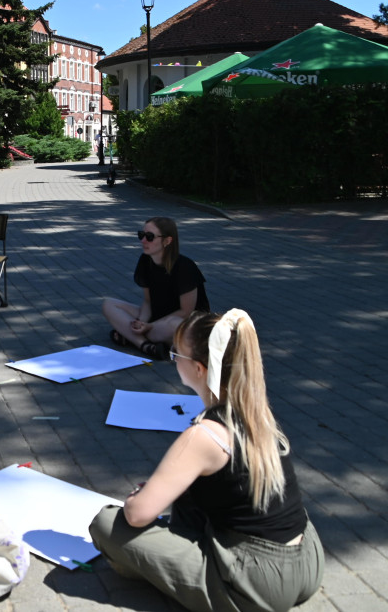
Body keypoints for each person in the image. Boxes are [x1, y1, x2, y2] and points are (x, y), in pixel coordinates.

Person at [89, 309, 324, 611]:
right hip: (308, 559)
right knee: (189, 496)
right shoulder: (258, 414)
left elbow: (137, 516)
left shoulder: (205, 435)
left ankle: (212, 587)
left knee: (108, 522)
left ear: (199, 369)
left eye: (177, 354)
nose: (173, 360)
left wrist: (137, 498)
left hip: (262, 581)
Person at [102, 216, 209, 359]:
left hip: (184, 322)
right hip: (158, 317)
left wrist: (149, 326)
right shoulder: (145, 260)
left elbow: (186, 311)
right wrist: (141, 322)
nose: (143, 241)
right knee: (108, 304)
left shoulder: (185, 267)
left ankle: (129, 337)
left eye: (149, 237)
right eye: (141, 235)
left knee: (174, 326)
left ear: (167, 241)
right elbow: (148, 301)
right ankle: (146, 346)